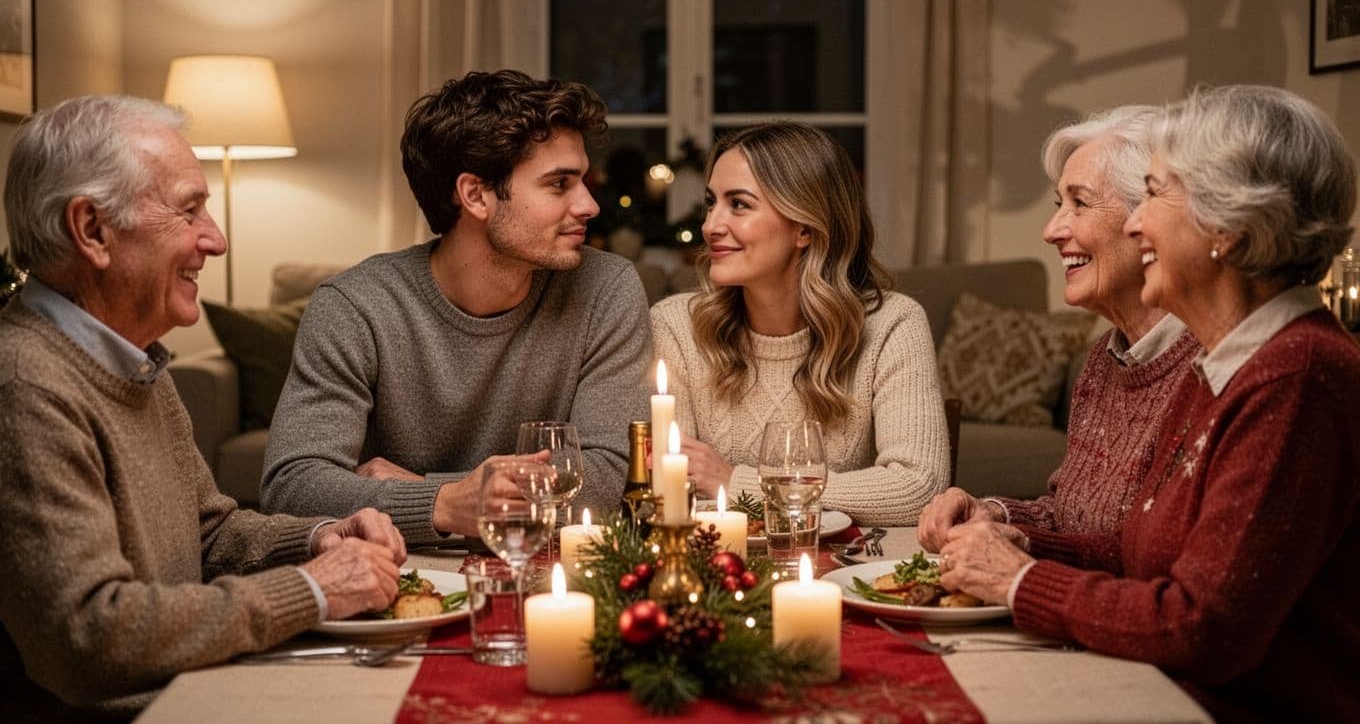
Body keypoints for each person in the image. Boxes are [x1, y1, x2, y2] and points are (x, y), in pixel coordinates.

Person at [938, 85, 1360, 721]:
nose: (1137, 223)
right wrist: (1010, 535)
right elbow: (1131, 551)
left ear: (1226, 226)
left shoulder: (1295, 376)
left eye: (1157, 195)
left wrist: (1018, 580)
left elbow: (1203, 629)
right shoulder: (1229, 362)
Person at [0, 95, 406, 721]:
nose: (215, 239)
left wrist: (322, 535)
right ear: (92, 230)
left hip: (193, 687)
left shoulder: (138, 364)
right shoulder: (26, 385)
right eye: (189, 210)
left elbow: (210, 532)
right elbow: (87, 635)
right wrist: (312, 590)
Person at [260, 70, 651, 543]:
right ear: (475, 195)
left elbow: (612, 484)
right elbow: (292, 486)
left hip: (555, 579)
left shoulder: (606, 289)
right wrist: (448, 503)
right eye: (559, 184)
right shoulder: (354, 307)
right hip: (398, 583)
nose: (589, 205)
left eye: (583, 180)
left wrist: (431, 496)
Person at [918, 106, 1201, 549]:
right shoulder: (1104, 361)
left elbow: (1149, 560)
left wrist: (1021, 567)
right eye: (1058, 205)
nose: (1051, 230)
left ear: (1149, 221)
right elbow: (1073, 516)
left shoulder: (1209, 371)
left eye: (1080, 204)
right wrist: (994, 512)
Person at [650, 121, 950, 525]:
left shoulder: (893, 325)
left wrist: (735, 480)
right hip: (719, 568)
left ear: (805, 227)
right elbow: (676, 490)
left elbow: (917, 489)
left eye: (738, 204)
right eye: (711, 202)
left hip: (842, 570)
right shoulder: (676, 326)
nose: (710, 226)